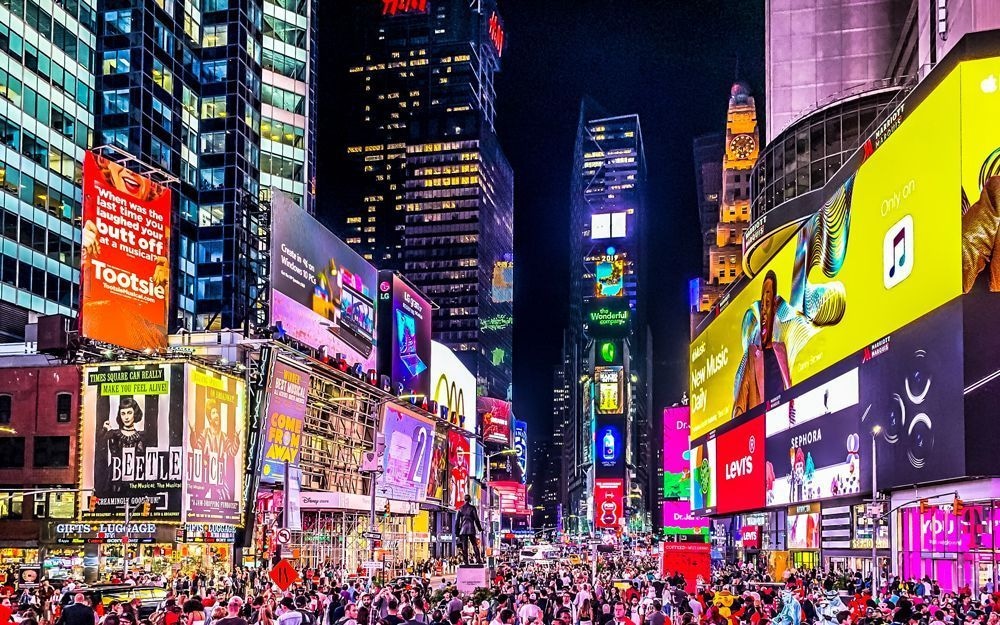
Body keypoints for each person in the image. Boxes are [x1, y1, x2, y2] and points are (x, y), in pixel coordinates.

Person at [733, 270, 791, 417]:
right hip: (758, 430)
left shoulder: (782, 350)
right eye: (762, 305)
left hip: (782, 428)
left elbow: (791, 393)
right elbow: (739, 406)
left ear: (775, 306)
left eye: (767, 303)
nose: (764, 311)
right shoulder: (753, 355)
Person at [455, 495, 484, 565]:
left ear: (464, 500)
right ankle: (478, 560)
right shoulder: (472, 508)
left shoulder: (460, 509)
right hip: (471, 529)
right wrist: (479, 528)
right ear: (470, 500)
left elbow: (457, 522)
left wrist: (457, 532)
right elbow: (476, 519)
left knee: (464, 546)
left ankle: (466, 562)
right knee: (474, 544)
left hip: (463, 530)